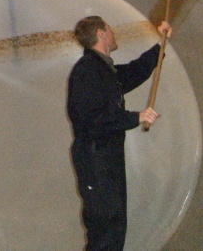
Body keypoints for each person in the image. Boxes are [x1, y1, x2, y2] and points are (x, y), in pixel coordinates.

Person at [67, 16, 171, 251]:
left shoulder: (103, 70)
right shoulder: (88, 70)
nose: (114, 33)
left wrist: (161, 44)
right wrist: (136, 117)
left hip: (104, 158)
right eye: (109, 28)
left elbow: (134, 71)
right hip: (96, 159)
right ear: (101, 33)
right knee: (106, 228)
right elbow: (91, 119)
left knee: (111, 226)